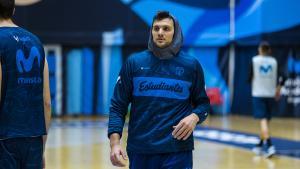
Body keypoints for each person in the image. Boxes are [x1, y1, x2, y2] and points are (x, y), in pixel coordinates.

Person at [108, 11, 210, 169]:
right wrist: (114, 144)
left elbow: (203, 105)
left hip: (178, 151)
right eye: (156, 28)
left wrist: (195, 117)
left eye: (166, 29)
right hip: (141, 150)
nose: (160, 33)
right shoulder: (134, 63)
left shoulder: (191, 65)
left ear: (176, 32)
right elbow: (117, 106)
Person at [0, 0, 51, 168]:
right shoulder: (36, 41)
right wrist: (42, 147)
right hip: (33, 140)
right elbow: (46, 102)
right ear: (13, 9)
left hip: (4, 139)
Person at [248, 41, 284, 158]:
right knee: (266, 121)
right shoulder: (274, 61)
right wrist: (278, 89)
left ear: (259, 49)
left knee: (263, 120)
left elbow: (249, 78)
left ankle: (269, 146)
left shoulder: (254, 60)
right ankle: (259, 145)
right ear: (269, 50)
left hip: (258, 94)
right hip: (270, 94)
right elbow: (283, 77)